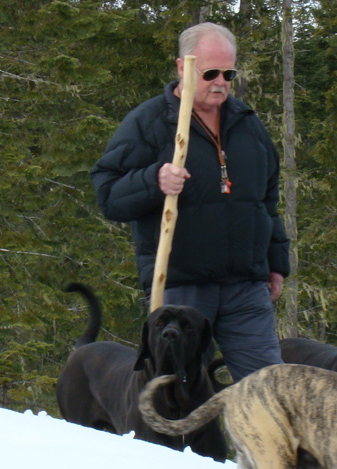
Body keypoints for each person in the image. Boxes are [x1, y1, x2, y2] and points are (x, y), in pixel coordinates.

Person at [91, 22, 290, 382]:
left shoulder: (247, 125)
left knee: (269, 391)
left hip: (245, 287)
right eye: (210, 72)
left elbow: (266, 199)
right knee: (177, 390)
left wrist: (276, 263)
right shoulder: (149, 122)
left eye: (228, 73)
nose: (221, 82)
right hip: (181, 288)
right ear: (183, 67)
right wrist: (154, 180)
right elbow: (108, 194)